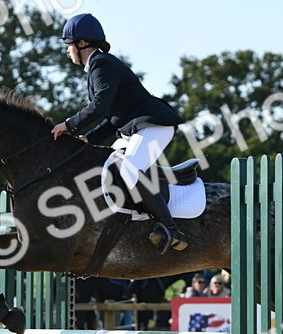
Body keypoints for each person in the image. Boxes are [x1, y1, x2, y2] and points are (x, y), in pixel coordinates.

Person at [49, 13, 188, 254]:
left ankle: (169, 227)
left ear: (82, 44)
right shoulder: (97, 66)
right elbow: (112, 118)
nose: (68, 51)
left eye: (69, 45)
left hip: (153, 125)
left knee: (129, 169)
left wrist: (69, 125)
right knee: (108, 169)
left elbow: (100, 105)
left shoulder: (101, 64)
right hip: (133, 128)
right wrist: (89, 138)